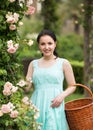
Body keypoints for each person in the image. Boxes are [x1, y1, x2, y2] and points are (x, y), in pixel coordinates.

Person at [26, 29, 76, 130]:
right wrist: (16, 85)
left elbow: (72, 85)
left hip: (55, 105)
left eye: (50, 43)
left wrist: (62, 96)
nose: (46, 47)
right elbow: (27, 88)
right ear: (39, 46)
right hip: (36, 105)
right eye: (43, 44)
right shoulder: (33, 64)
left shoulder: (63, 63)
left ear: (55, 44)